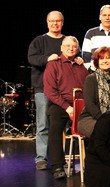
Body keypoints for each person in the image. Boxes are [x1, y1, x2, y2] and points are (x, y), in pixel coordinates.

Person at [27, 11, 83, 170]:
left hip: (65, 91)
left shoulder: (68, 42)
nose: (55, 24)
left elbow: (74, 59)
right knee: (43, 124)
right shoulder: (40, 41)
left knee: (65, 126)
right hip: (43, 89)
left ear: (62, 22)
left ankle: (63, 157)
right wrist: (47, 59)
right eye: (52, 21)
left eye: (58, 21)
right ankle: (41, 158)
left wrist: (79, 58)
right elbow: (32, 58)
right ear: (47, 22)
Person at [43, 36, 88, 179]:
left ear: (77, 49)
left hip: (79, 105)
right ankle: (57, 165)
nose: (71, 48)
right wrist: (67, 107)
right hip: (59, 104)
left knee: (92, 125)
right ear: (61, 48)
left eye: (74, 46)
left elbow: (87, 87)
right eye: (67, 46)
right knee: (55, 128)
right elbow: (50, 91)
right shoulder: (53, 64)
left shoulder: (81, 66)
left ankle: (91, 163)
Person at [77, 46, 110, 138]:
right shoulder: (91, 79)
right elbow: (89, 104)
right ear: (97, 62)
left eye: (108, 58)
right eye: (101, 58)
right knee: (104, 129)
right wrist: (104, 119)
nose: (104, 61)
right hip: (89, 118)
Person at [81, 4, 110, 70]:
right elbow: (86, 55)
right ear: (100, 17)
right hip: (96, 73)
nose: (107, 18)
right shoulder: (90, 33)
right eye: (104, 15)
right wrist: (90, 70)